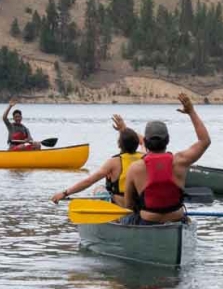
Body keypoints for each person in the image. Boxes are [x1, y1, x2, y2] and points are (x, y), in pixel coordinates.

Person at [122, 93, 211, 225]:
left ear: (145, 143)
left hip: (147, 222)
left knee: (125, 217)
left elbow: (128, 205)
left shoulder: (135, 168)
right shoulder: (181, 160)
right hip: (176, 221)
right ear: (168, 140)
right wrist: (191, 112)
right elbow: (205, 141)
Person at [50, 115, 144, 206]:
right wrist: (124, 129)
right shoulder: (144, 157)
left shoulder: (114, 162)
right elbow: (143, 141)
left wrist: (65, 193)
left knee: (99, 189)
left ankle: (108, 208)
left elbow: (89, 181)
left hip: (121, 204)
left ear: (119, 145)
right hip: (138, 202)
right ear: (136, 143)